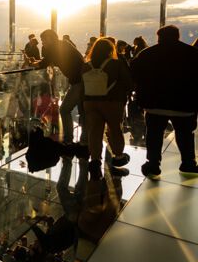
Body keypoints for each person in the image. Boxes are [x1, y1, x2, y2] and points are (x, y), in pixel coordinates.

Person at [131, 25, 198, 177]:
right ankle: (188, 163)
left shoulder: (147, 54)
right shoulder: (192, 53)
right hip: (184, 105)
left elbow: (134, 74)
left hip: (154, 104)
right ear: (178, 36)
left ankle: (153, 164)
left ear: (159, 36)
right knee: (185, 135)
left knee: (154, 135)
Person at [82, 38, 132, 178]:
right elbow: (128, 82)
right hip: (112, 102)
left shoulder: (86, 65)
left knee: (94, 132)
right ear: (111, 50)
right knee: (114, 129)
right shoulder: (116, 64)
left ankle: (95, 160)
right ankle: (118, 156)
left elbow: (82, 86)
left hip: (90, 102)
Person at [31, 29, 87, 148]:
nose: (42, 43)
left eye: (43, 40)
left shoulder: (54, 48)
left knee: (65, 109)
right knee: (83, 112)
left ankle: (68, 140)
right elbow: (49, 61)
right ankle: (84, 141)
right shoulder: (62, 45)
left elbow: (43, 64)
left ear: (50, 39)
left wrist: (31, 63)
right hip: (84, 80)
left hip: (79, 82)